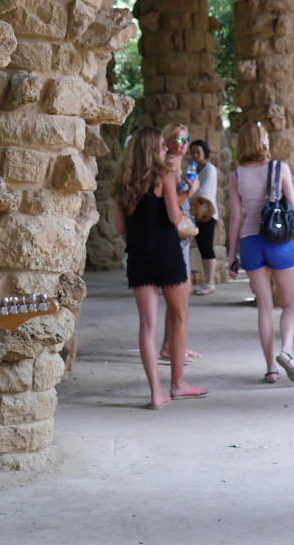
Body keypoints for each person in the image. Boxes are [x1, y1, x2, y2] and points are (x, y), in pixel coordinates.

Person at [113, 126, 207, 407]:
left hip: (139, 257)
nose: (166, 148)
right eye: (162, 145)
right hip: (167, 254)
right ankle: (177, 384)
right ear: (152, 147)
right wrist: (189, 190)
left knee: (147, 325)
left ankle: (156, 392)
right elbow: (174, 216)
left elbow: (120, 228)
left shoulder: (122, 183)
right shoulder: (164, 175)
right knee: (178, 317)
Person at [228, 120, 294, 384]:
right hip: (278, 240)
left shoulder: (236, 175)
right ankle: (286, 352)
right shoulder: (279, 168)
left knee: (264, 307)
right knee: (288, 303)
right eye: (265, 136)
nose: (268, 140)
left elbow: (235, 217)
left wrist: (231, 255)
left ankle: (270, 370)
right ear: (261, 141)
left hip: (250, 242)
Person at [159, 123, 202, 361]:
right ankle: (173, 347)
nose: (184, 144)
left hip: (181, 238)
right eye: (178, 139)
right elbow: (171, 204)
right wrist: (192, 190)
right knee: (179, 294)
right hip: (174, 237)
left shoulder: (177, 166)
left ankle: (172, 345)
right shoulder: (168, 166)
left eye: (186, 139)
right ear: (167, 143)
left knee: (180, 295)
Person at [189, 139, 219, 295]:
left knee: (207, 247)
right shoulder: (193, 169)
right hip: (195, 214)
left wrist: (188, 190)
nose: (195, 155)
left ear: (204, 153)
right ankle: (206, 282)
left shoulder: (209, 169)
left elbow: (202, 192)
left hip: (207, 215)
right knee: (201, 247)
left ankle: (210, 282)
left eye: (197, 152)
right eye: (192, 152)